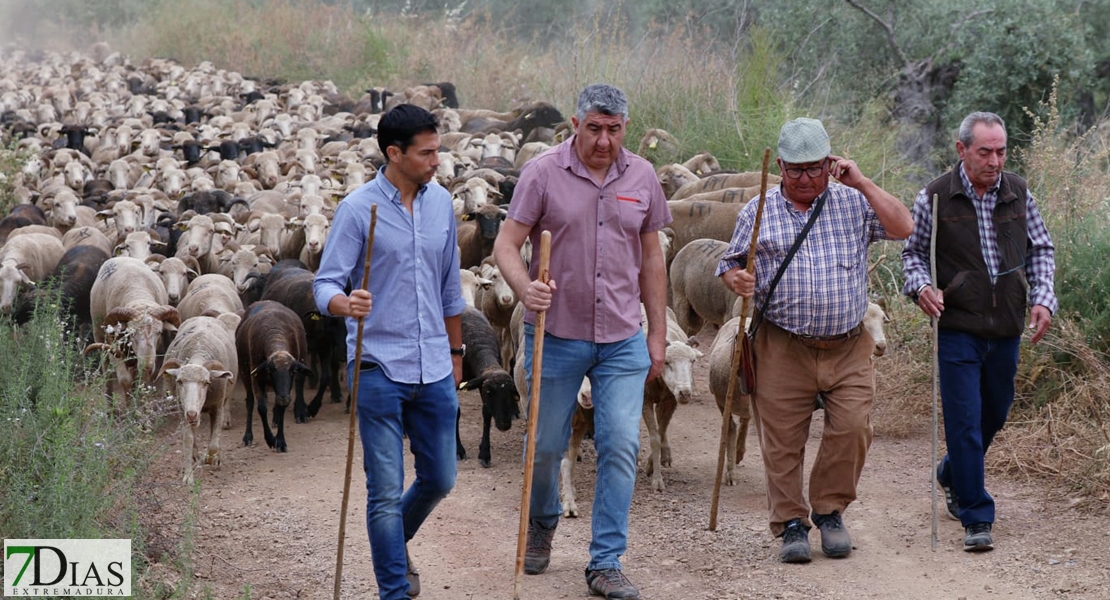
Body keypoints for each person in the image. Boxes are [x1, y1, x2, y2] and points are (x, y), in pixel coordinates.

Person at [492, 83, 670, 600]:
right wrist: (526, 289)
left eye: (613, 130)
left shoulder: (642, 176)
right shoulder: (543, 172)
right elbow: (508, 243)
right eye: (594, 128)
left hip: (621, 337)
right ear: (576, 124)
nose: (603, 140)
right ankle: (544, 518)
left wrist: (657, 336)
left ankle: (606, 561)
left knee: (621, 443)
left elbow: (653, 257)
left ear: (625, 129)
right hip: (556, 333)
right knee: (546, 448)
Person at [717, 117, 913, 563]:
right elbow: (728, 263)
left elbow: (904, 228)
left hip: (848, 345)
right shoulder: (757, 210)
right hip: (782, 344)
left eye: (814, 168)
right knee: (783, 438)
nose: (805, 179)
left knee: (853, 428)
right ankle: (791, 523)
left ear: (831, 164)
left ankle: (829, 511)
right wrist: (737, 278)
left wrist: (862, 182)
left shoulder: (853, 202)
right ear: (780, 167)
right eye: (795, 170)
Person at [313, 104, 465, 600]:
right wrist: (344, 302)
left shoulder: (442, 204)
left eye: (438, 150)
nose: (436, 161)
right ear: (394, 153)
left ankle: (391, 549)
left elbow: (449, 287)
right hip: (378, 366)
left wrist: (457, 352)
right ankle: (393, 590)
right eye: (427, 153)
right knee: (382, 492)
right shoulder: (360, 209)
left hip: (436, 367)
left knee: (441, 478)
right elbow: (325, 283)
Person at [901, 111, 1056, 552]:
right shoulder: (934, 197)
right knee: (965, 420)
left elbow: (1041, 247)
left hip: (1006, 324)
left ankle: (951, 472)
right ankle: (976, 516)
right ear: (962, 150)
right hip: (958, 326)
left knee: (996, 412)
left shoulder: (1018, 192)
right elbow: (912, 254)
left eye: (1001, 151)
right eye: (985, 151)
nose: (995, 160)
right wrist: (921, 287)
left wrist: (1043, 298)